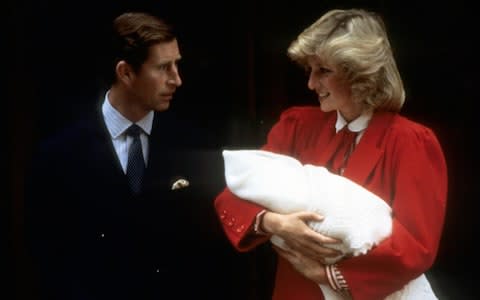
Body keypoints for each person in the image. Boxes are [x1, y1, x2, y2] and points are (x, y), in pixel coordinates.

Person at [214, 8, 447, 300]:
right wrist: (273, 223)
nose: (311, 83)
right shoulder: (297, 125)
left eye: (323, 71)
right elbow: (234, 189)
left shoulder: (411, 141)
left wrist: (329, 276)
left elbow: (416, 246)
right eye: (310, 70)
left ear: (359, 72)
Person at [24, 11, 248, 300]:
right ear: (126, 73)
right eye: (163, 68)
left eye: (177, 65)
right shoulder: (60, 155)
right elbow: (49, 257)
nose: (177, 80)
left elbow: (210, 254)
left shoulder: (193, 144)